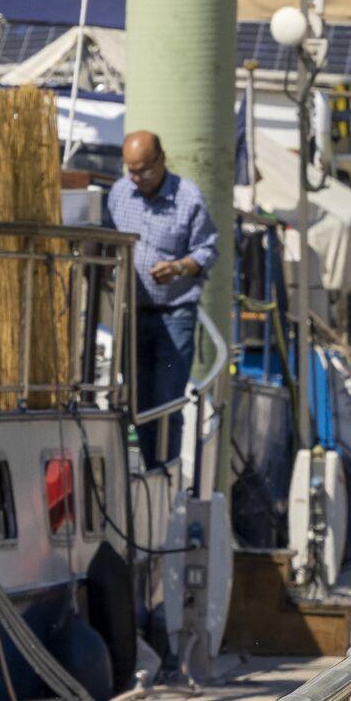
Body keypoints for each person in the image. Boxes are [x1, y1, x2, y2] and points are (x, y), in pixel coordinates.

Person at [106, 132, 217, 467]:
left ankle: (165, 470)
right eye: (131, 170)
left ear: (161, 160)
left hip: (174, 316)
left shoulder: (188, 198)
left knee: (167, 396)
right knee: (138, 399)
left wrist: (180, 267)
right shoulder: (120, 193)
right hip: (133, 315)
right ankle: (148, 466)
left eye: (144, 171)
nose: (137, 179)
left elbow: (209, 248)